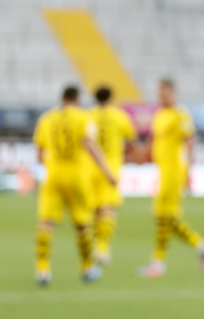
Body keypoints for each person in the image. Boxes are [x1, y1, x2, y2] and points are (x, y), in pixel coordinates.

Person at [33, 85, 116, 286]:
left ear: (61, 98)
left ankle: (42, 270)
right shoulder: (83, 117)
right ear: (77, 99)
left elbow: (39, 151)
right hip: (77, 176)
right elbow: (89, 144)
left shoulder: (47, 118)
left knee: (46, 222)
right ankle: (87, 268)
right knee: (82, 223)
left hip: (53, 175)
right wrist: (107, 171)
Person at [138, 79, 204, 278]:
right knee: (165, 216)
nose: (161, 96)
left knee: (163, 215)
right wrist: (142, 154)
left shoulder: (180, 113)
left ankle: (159, 262)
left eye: (164, 93)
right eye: (159, 93)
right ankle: (200, 245)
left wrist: (189, 171)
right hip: (163, 170)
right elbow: (153, 139)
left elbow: (189, 141)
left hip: (174, 171)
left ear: (173, 92)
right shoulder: (160, 114)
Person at [89, 85, 139, 266]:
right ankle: (102, 248)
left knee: (95, 210)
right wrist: (132, 157)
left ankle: (95, 245)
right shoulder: (120, 116)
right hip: (111, 168)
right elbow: (132, 141)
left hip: (91, 167)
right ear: (111, 97)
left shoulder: (89, 115)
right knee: (108, 209)